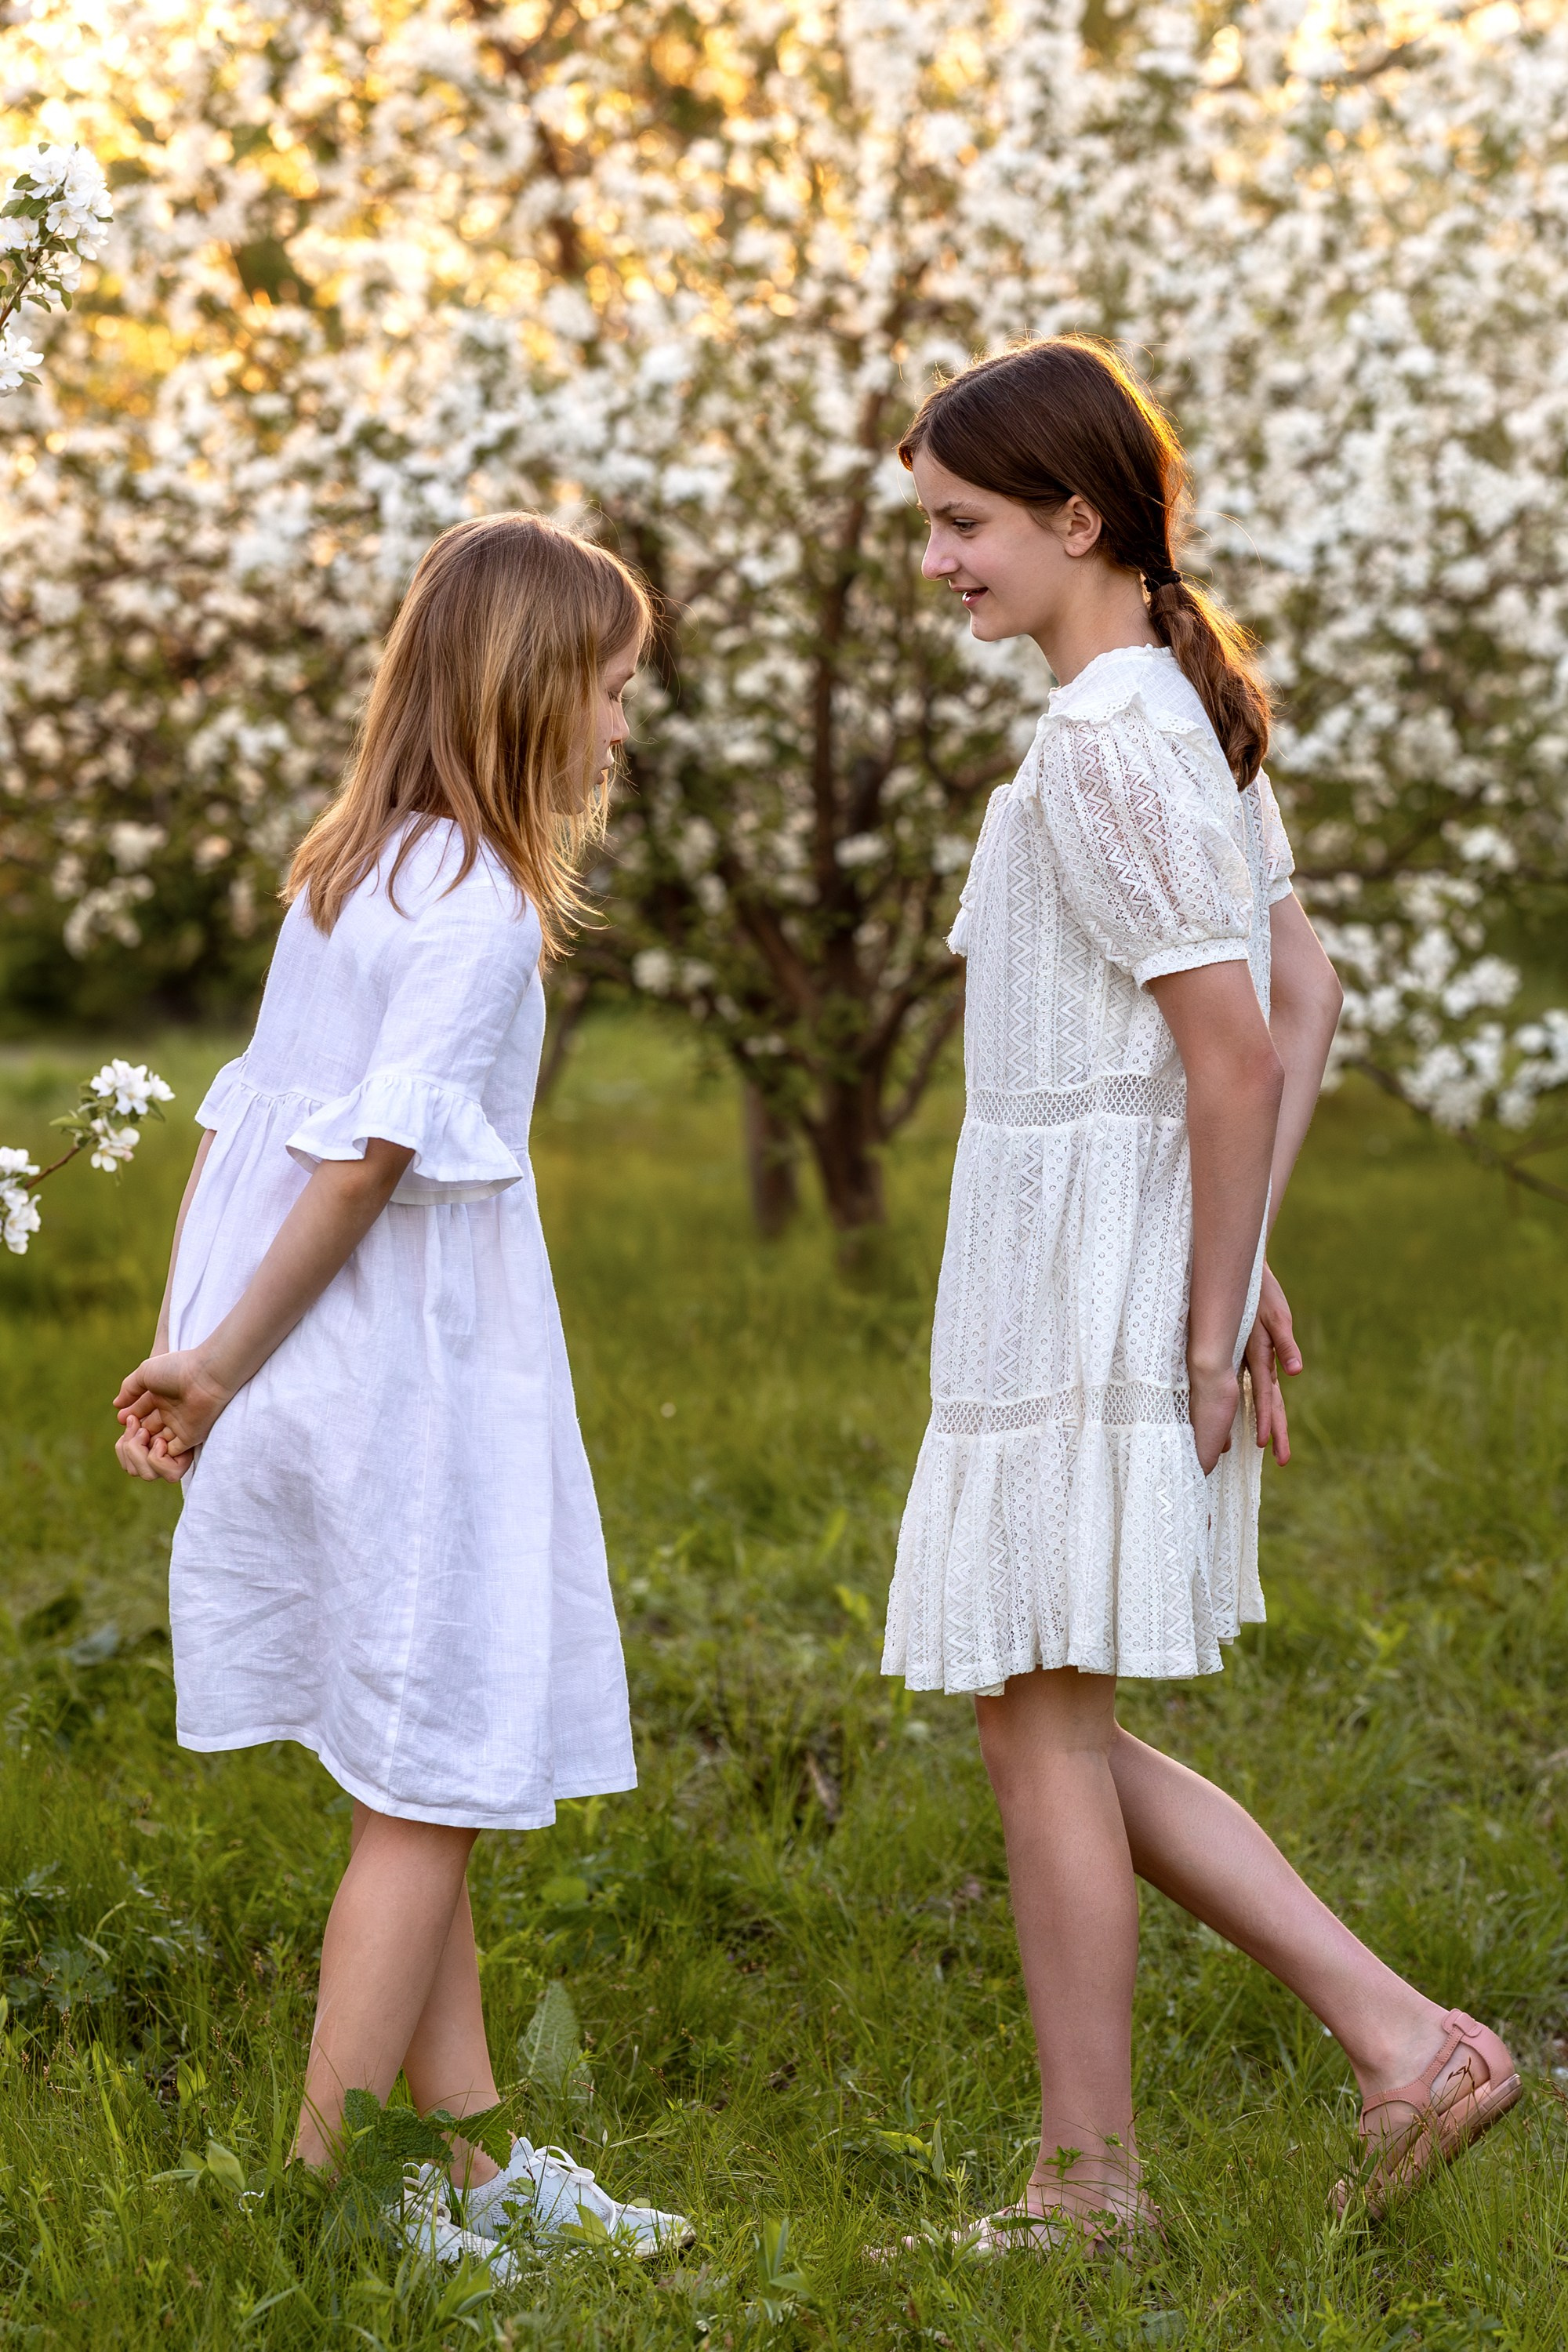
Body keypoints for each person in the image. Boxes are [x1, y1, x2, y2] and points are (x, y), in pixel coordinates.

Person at [883, 339, 1519, 2251]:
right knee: (1039, 1718)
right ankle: (1396, 2048)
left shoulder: (1103, 738)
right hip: (1105, 1246)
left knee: (1036, 1720)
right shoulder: (1171, 705)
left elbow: (1237, 1048)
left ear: (1078, 517)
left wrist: (1208, 1295)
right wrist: (1226, 1261)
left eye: (963, 524)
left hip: (1082, 1265)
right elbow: (1301, 997)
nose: (938, 563)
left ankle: (1098, 2186)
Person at [112, 513, 689, 2273]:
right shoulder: (486, 907)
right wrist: (212, 1366)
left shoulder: (350, 874)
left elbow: (239, 1129)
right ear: (527, 693)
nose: (623, 728)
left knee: (409, 1778)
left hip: (302, 1368)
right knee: (431, 1799)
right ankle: (334, 2200)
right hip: (402, 1393)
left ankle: (476, 2167)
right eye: (610, 691)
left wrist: (202, 1341)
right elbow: (359, 1163)